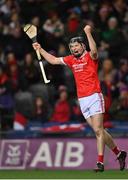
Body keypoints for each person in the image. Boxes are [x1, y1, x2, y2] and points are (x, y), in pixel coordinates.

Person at [32, 25, 127, 172]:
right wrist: (40, 49)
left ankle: (100, 162)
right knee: (99, 130)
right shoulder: (71, 60)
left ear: (83, 46)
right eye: (71, 47)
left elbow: (95, 51)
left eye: (76, 46)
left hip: (95, 95)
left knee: (97, 130)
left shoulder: (90, 56)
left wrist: (88, 33)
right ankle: (119, 153)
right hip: (82, 100)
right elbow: (53, 60)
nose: (74, 48)